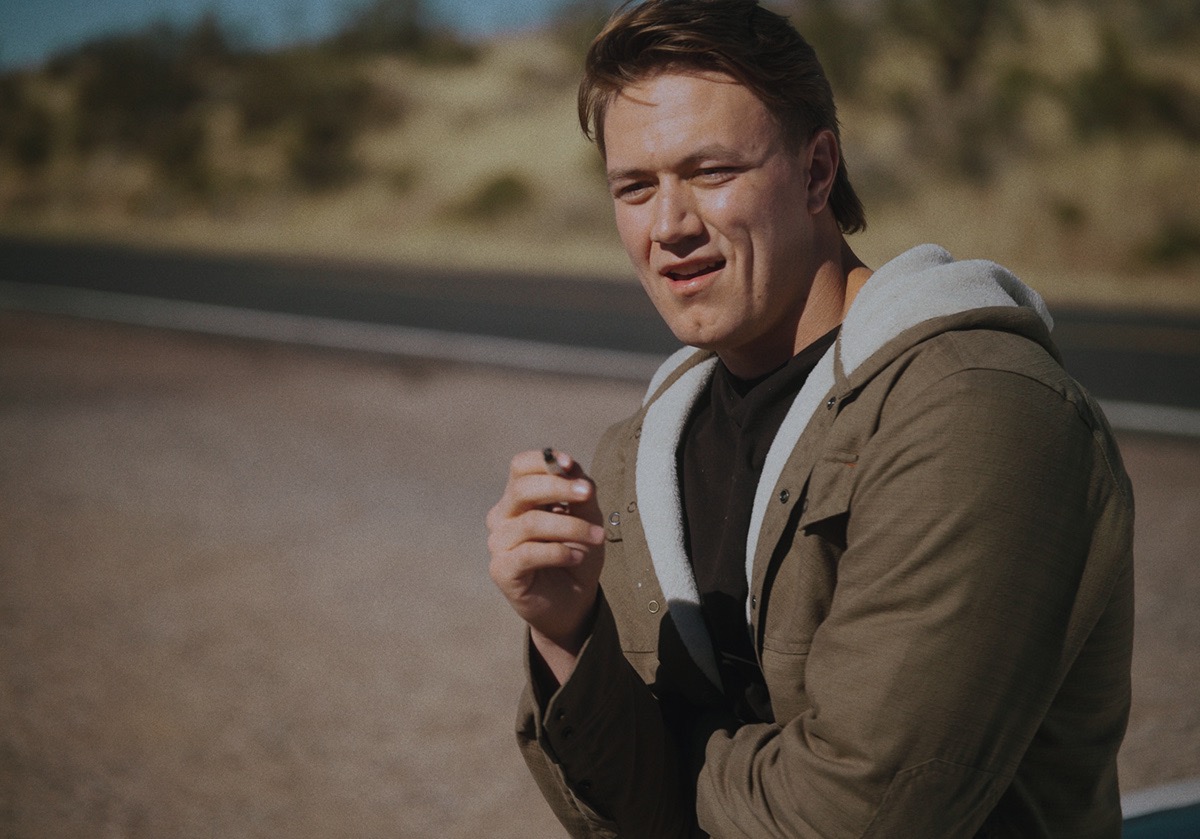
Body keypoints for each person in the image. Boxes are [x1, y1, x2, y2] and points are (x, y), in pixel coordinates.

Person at [485, 1, 1134, 836]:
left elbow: (857, 813)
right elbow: (620, 813)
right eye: (635, 187)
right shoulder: (638, 455)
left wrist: (675, 755)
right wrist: (567, 634)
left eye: (711, 172)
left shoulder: (977, 410)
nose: (669, 226)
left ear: (817, 171)